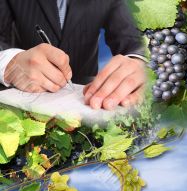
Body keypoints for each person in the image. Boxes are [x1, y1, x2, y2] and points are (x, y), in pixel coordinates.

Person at [0, 0, 146, 110]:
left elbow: (134, 40)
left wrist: (139, 62)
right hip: (28, 95)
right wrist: (9, 63)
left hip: (85, 94)